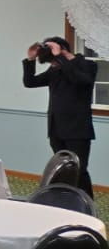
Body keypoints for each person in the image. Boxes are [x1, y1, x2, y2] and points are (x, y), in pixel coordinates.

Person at [23, 36, 97, 191]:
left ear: (63, 52)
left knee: (79, 171)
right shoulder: (55, 69)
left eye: (53, 61)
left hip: (77, 130)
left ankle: (85, 202)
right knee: (63, 171)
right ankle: (65, 200)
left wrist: (60, 58)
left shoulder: (87, 65)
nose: (52, 65)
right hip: (56, 129)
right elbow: (30, 82)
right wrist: (30, 59)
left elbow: (79, 80)